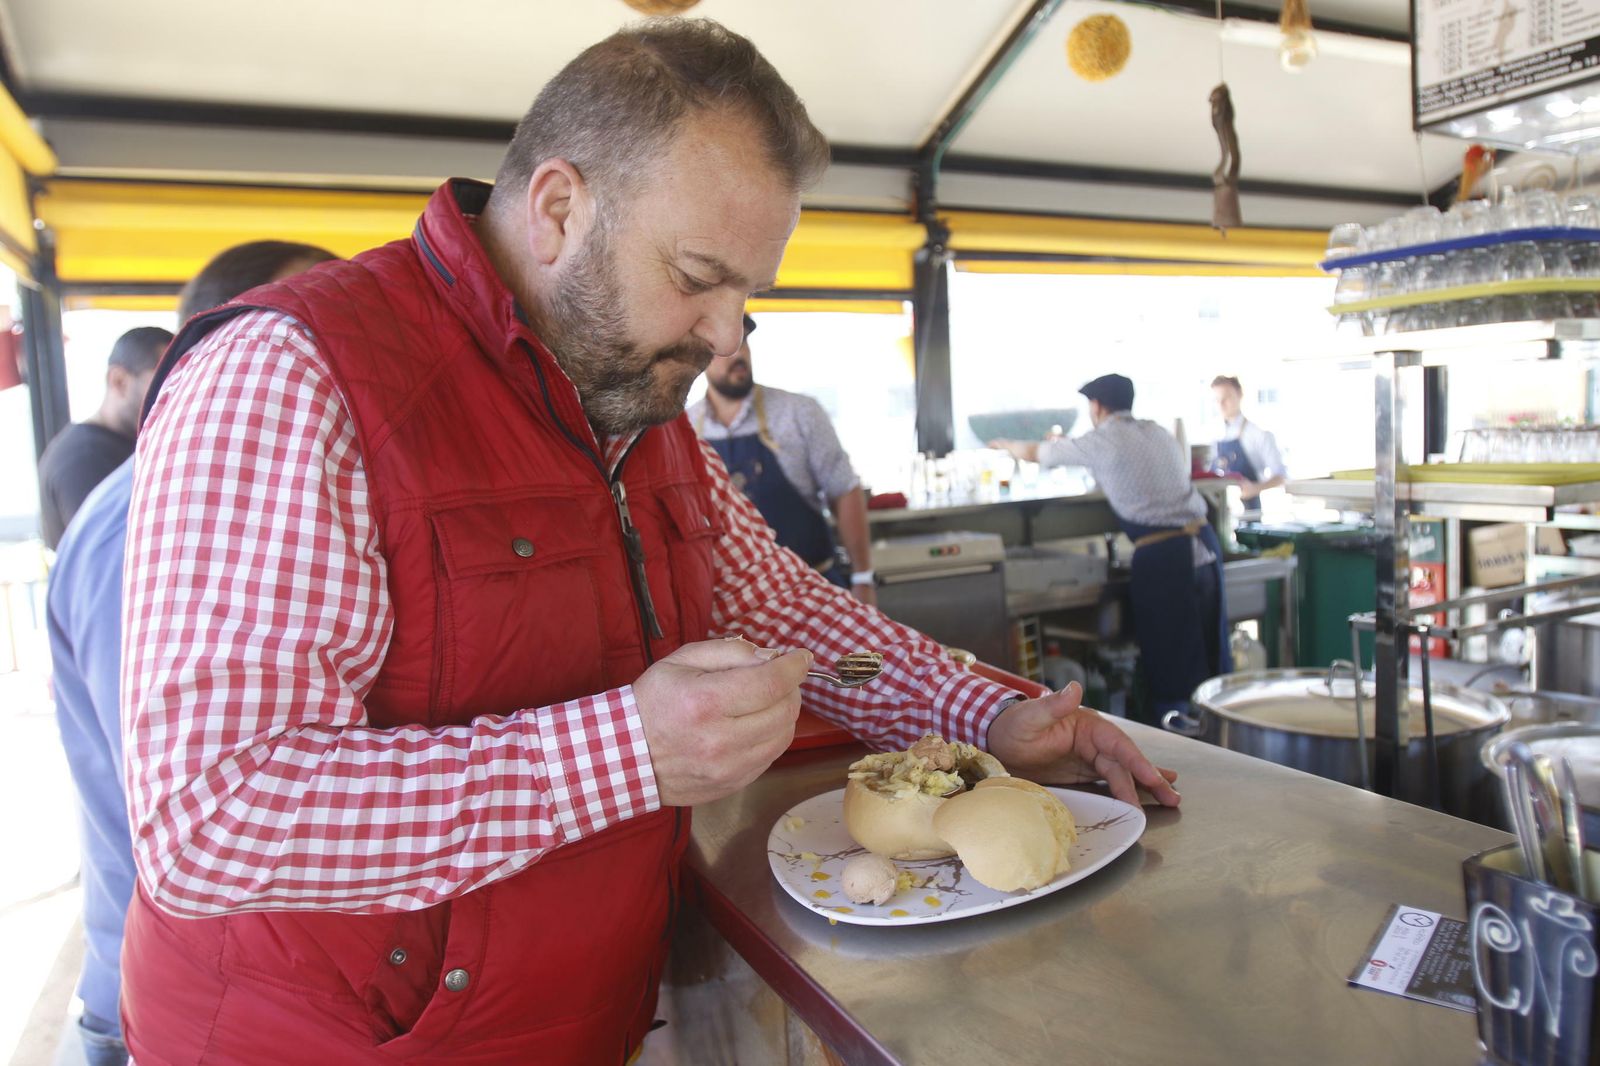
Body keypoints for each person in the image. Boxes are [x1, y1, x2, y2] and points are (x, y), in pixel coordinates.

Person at [120, 21, 1179, 1065]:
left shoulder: (636, 406)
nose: (727, 336)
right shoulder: (289, 375)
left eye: (747, 293)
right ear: (559, 208)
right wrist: (627, 752)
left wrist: (983, 711)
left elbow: (790, 615)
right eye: (695, 275)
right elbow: (209, 819)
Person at [45, 240, 334, 1066]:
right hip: (159, 1011)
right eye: (303, 333)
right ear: (199, 352)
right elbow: (193, 795)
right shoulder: (140, 521)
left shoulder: (268, 500)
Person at [992, 374, 1230, 722]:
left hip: (1164, 558)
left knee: (1171, 664)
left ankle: (1180, 734)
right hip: (1205, 548)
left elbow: (1036, 453)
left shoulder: (1103, 440)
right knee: (1210, 659)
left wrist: (1005, 445)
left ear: (1098, 406)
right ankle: (1217, 734)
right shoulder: (1157, 431)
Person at [689, 314, 876, 604]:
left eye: (743, 343)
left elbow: (844, 490)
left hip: (814, 590)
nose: (739, 354)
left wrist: (863, 578)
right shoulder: (686, 429)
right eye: (725, 348)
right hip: (731, 603)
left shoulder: (799, 412)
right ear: (699, 358)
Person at [35, 327, 170, 549]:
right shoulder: (84, 458)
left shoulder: (125, 444)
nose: (171, 392)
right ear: (119, 380)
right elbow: (109, 556)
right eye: (163, 380)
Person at [1210, 374, 1287, 501]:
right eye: (1217, 400)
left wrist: (1255, 488)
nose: (1221, 404)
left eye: (1226, 398)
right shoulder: (1212, 435)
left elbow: (1280, 477)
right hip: (1218, 510)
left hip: (1249, 513)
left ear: (1240, 395)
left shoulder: (1259, 434)